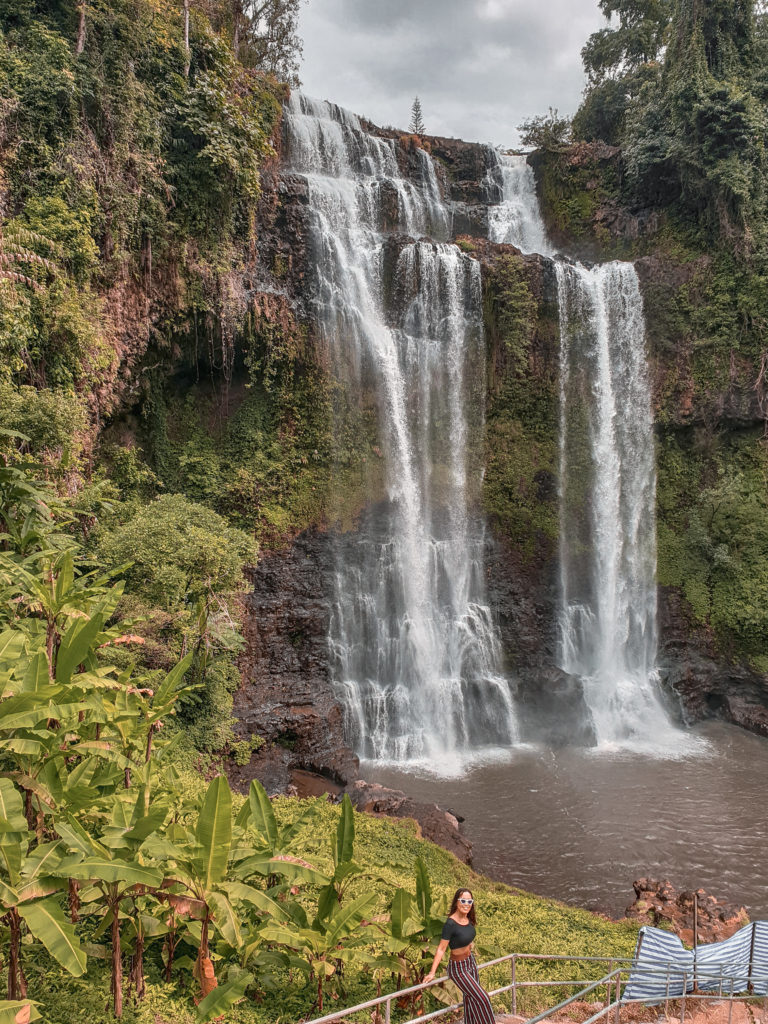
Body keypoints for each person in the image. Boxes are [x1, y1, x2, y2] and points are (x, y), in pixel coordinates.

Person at [424, 887, 495, 1024]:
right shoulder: (450, 923)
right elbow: (441, 949)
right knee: (483, 998)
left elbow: (467, 937)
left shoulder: (468, 918)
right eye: (463, 900)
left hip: (470, 962)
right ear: (457, 902)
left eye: (469, 901)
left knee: (470, 999)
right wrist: (432, 972)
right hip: (458, 969)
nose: (466, 904)